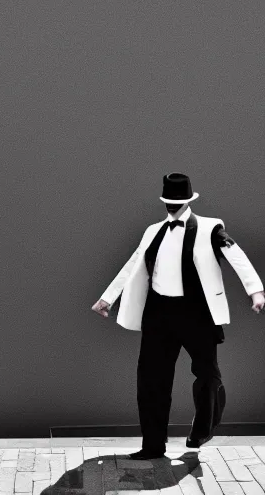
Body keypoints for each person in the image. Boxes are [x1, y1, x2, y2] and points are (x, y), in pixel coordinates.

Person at [92, 172, 264, 460]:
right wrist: (107, 297)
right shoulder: (153, 231)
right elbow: (133, 263)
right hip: (159, 314)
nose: (173, 206)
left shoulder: (211, 228)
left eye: (178, 201)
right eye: (170, 201)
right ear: (165, 202)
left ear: (188, 200)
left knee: (208, 376)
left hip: (197, 314)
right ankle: (153, 445)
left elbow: (236, 256)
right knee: (151, 381)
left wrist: (255, 291)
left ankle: (203, 428)